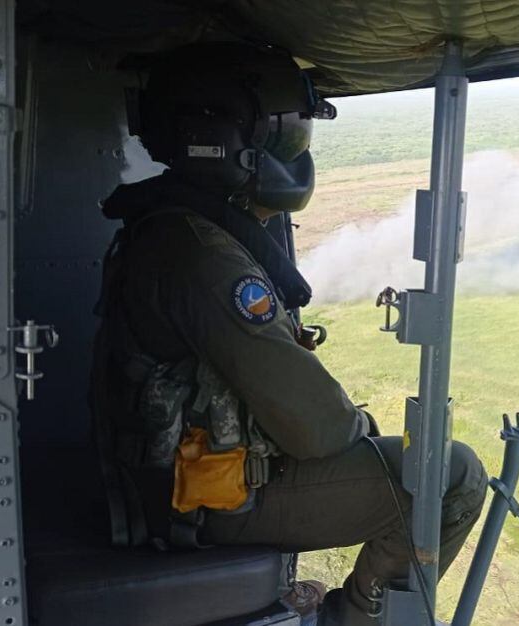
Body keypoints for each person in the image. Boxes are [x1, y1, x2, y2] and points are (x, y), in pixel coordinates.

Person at [90, 42, 487, 626]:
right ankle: (354, 618)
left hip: (166, 483)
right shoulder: (200, 255)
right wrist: (362, 431)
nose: (290, 151)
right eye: (282, 133)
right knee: (452, 475)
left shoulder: (171, 229)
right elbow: (319, 429)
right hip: (198, 501)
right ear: (226, 140)